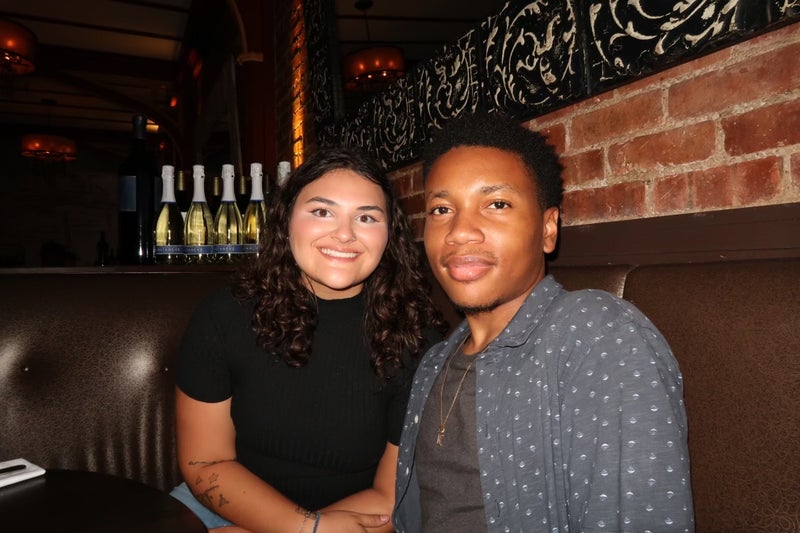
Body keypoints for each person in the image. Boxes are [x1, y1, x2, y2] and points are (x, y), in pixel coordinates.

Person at [393, 112, 694, 532]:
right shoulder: (433, 363)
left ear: (548, 229)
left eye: (496, 204)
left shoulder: (598, 336)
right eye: (441, 209)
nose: (459, 231)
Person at [171, 147, 444, 532]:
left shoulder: (415, 334)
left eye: (366, 217)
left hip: (355, 517)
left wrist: (312, 529)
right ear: (286, 221)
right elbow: (205, 463)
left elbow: (390, 496)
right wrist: (302, 528)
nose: (344, 234)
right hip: (227, 508)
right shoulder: (224, 316)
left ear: (389, 234)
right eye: (322, 212)